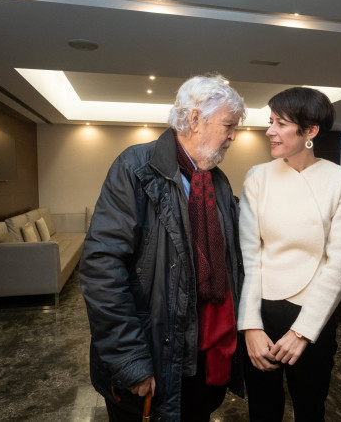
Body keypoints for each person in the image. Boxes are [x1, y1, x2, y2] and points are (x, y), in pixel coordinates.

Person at [79, 74, 247, 421]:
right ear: (195, 118)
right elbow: (101, 269)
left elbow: (233, 261)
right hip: (151, 356)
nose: (234, 135)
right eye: (229, 125)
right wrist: (131, 361)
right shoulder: (136, 168)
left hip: (203, 360)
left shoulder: (217, 180)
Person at [237, 87, 341, 421]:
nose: (269, 131)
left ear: (310, 131)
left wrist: (303, 331)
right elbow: (249, 257)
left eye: (280, 123)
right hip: (261, 312)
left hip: (314, 314)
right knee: (262, 408)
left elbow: (338, 262)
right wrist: (250, 327)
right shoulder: (257, 177)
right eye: (270, 121)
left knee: (310, 406)